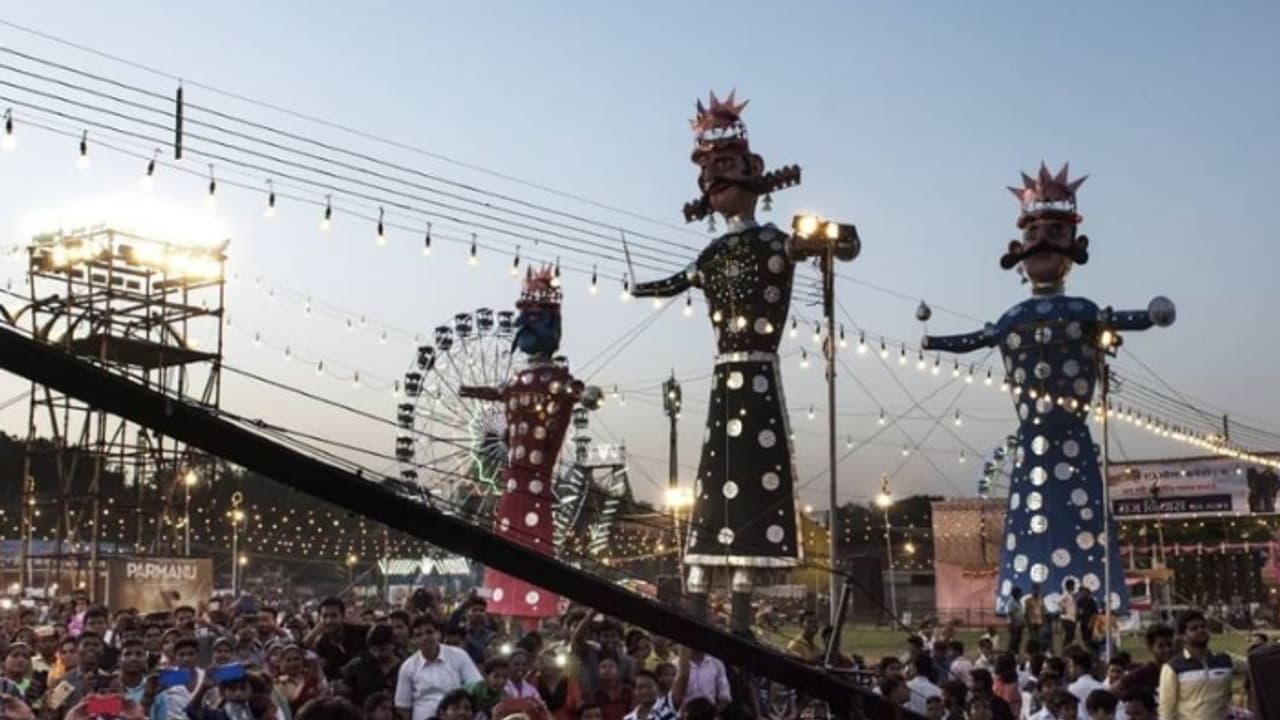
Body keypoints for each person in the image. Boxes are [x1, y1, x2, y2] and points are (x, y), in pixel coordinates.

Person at [394, 618, 481, 720]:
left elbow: (476, 686)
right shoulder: (408, 667)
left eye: (429, 632)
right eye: (418, 635)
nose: (425, 638)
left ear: (438, 634)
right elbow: (403, 705)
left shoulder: (458, 655)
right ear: (413, 641)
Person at [1157, 611, 1233, 720]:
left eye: (1203, 627)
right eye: (1194, 628)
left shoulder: (1225, 661)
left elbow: (1254, 665)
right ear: (1183, 636)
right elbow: (1166, 710)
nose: (1200, 630)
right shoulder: (1172, 667)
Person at [340, 625, 399, 706]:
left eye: (383, 650)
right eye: (374, 650)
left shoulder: (405, 666)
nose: (378, 654)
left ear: (393, 644)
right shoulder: (357, 665)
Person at [307, 599, 364, 683]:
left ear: (343, 616)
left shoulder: (361, 633)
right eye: (325, 616)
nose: (329, 621)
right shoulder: (321, 644)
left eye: (334, 616)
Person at [1117, 625, 1172, 694]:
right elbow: (1114, 690)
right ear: (1151, 648)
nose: (1167, 650)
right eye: (1161, 646)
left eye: (1169, 645)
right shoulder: (1143, 673)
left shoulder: (1179, 670)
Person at [1066, 648, 1105, 719]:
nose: (1069, 670)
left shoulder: (1072, 688)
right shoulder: (1101, 687)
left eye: (1071, 666)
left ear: (1078, 667)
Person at [1024, 586, 1044, 656]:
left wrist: (1042, 620)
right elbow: (1026, 613)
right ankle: (1031, 653)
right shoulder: (1028, 601)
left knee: (1039, 638)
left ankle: (1038, 652)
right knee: (1032, 638)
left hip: (1039, 622)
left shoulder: (1041, 600)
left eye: (1037, 590)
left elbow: (1042, 611)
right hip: (1031, 622)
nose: (1036, 592)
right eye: (1034, 590)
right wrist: (1028, 622)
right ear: (1032, 591)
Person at [1060, 581, 1078, 651]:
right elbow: (1060, 602)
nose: (1073, 587)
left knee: (1071, 636)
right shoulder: (1066, 594)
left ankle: (1067, 649)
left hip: (1071, 618)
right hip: (1067, 618)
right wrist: (1063, 608)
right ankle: (1065, 650)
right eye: (1073, 586)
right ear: (1069, 586)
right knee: (1069, 636)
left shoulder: (1070, 595)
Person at [1006, 588, 1025, 656]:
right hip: (1014, 625)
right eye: (1020, 592)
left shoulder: (1018, 602)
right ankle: (1009, 654)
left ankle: (1016, 654)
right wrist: (1014, 624)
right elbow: (1010, 614)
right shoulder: (1011, 602)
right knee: (1013, 640)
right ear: (1016, 593)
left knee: (1018, 640)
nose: (1021, 594)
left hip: (1019, 625)